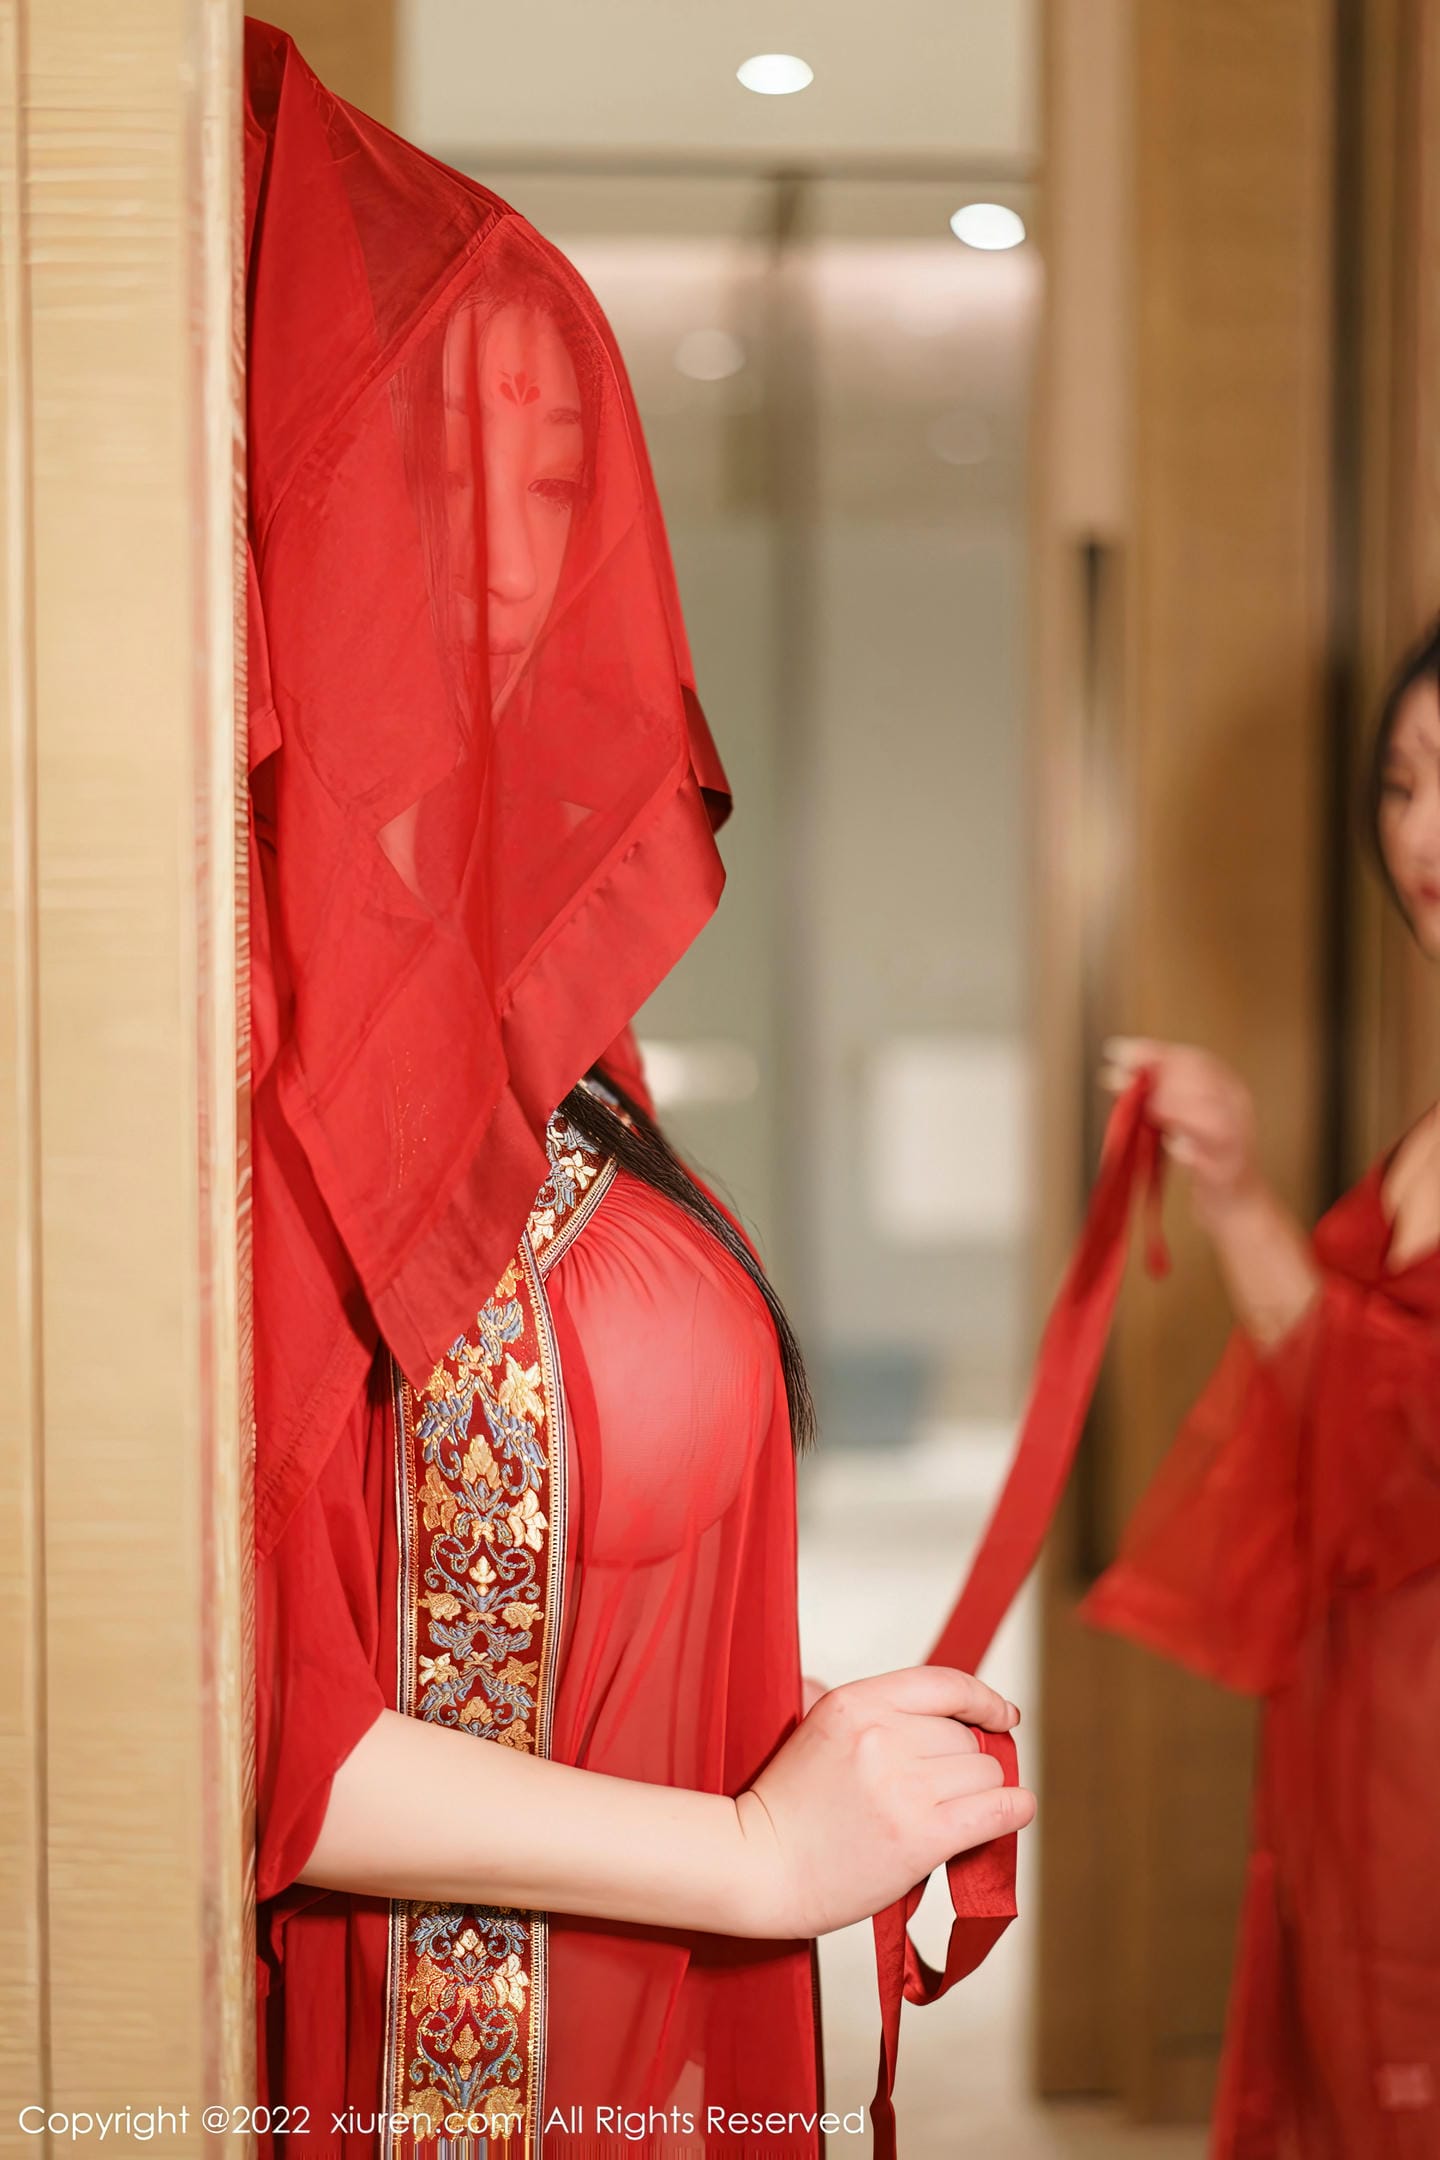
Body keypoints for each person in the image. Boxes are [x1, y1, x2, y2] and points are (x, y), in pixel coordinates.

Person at [243, 22, 1033, 2158]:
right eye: (455, 450)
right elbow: (242, 1716)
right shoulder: (228, 1032)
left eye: (557, 471)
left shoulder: (515, 1009)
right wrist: (756, 1857)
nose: (533, 549)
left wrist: (798, 1756)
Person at [1087, 622, 1440, 2157]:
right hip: (1366, 1706)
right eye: (1403, 784)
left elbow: (1405, 1423)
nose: (1421, 832)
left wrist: (1236, 1203)